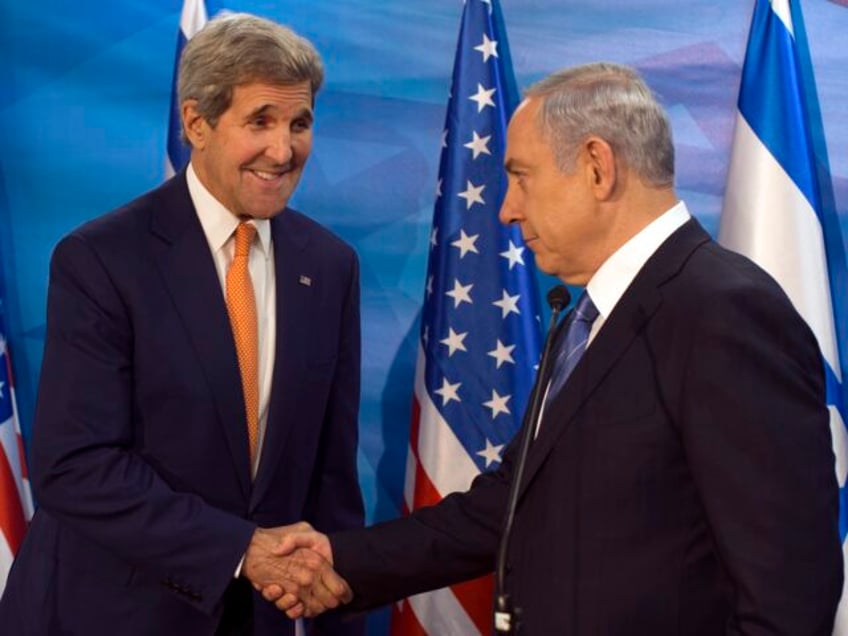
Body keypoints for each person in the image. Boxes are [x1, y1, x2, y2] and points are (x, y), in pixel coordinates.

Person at [268, 62, 843, 634]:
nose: (507, 209)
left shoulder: (725, 312)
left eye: (521, 177)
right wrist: (339, 563)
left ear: (597, 167)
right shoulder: (586, 317)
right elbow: (508, 509)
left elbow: (787, 597)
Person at [0, 13, 364, 636]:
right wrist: (240, 548)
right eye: (260, 121)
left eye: (299, 123)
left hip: (258, 620)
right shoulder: (103, 259)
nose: (284, 150)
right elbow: (75, 465)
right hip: (111, 613)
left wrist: (341, 618)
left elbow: (329, 477)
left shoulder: (329, 267)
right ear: (196, 123)